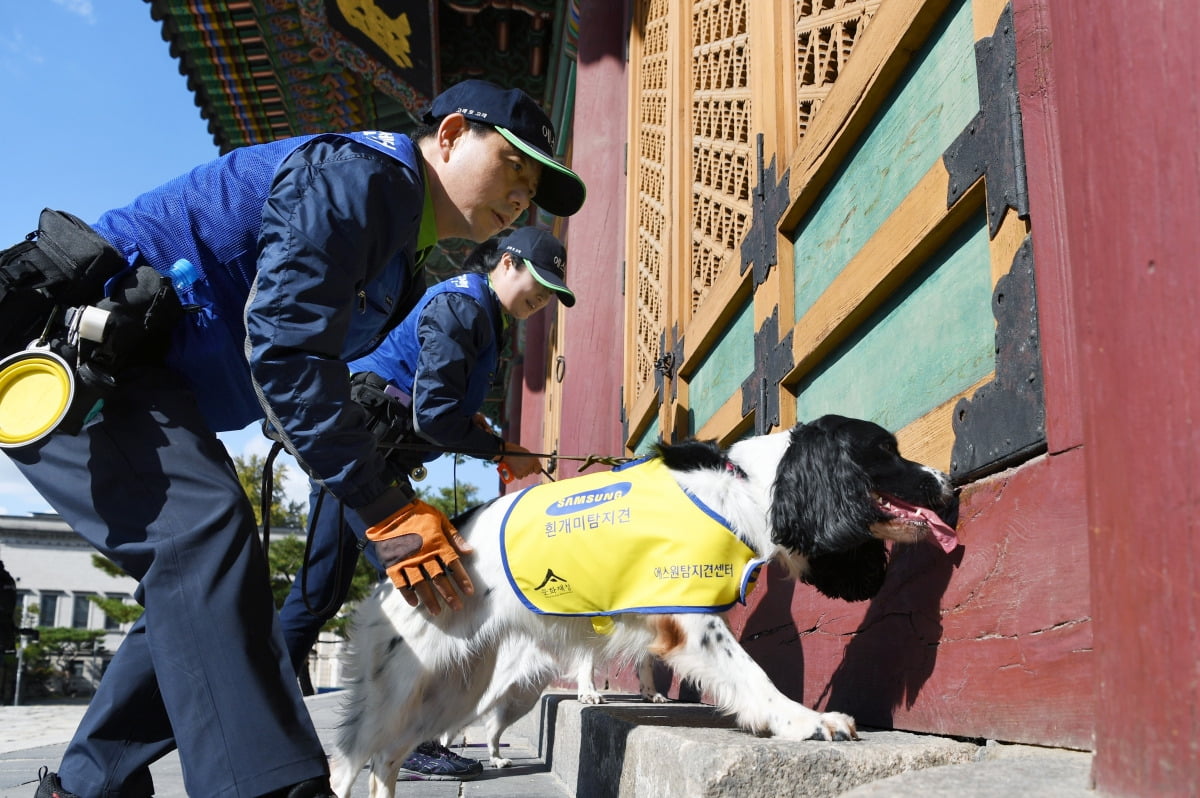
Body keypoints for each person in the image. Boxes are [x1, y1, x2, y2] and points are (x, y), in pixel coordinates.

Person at [1, 78, 585, 798]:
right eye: (515, 166)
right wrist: (387, 506)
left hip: (142, 383)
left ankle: (87, 786)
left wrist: (388, 496)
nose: (523, 195)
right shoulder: (365, 178)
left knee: (206, 569)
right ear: (455, 133)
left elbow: (315, 378)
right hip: (68, 353)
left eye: (536, 188)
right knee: (203, 535)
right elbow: (284, 351)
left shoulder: (404, 257)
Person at [277, 225, 572, 781]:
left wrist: (486, 435)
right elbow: (433, 417)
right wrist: (504, 447)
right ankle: (410, 739)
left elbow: (439, 406)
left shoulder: (480, 312)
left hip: (367, 463)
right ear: (507, 262)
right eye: (538, 282)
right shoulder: (463, 308)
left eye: (551, 293)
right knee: (437, 586)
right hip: (361, 461)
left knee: (318, 596)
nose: (542, 299)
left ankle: (270, 730)